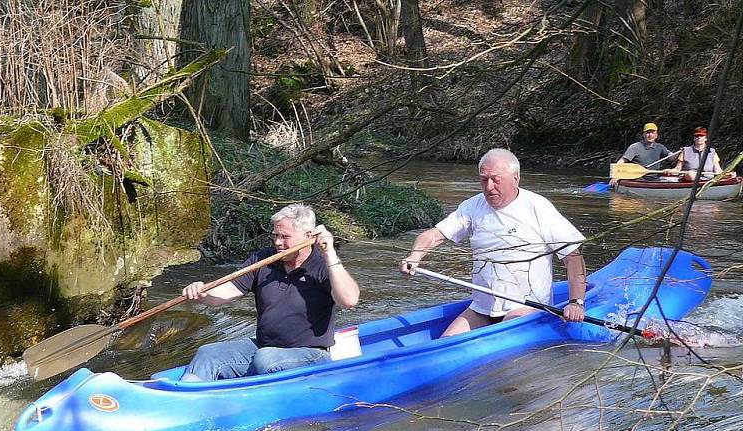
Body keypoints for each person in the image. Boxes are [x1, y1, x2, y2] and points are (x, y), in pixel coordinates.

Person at [400, 148, 586, 337]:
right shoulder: (472, 206)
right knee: (445, 341)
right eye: (484, 179)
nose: (489, 187)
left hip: (525, 308)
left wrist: (576, 302)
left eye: (496, 180)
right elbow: (435, 235)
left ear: (515, 178)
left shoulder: (537, 207)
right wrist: (415, 255)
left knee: (503, 344)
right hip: (482, 308)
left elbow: (572, 256)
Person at [181, 203, 360, 381]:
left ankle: (238, 395)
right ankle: (187, 397)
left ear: (308, 236)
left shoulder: (323, 265)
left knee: (266, 360)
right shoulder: (263, 260)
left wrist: (330, 253)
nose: (278, 243)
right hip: (264, 347)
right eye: (275, 236)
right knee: (209, 353)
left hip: (310, 354)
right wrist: (202, 293)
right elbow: (225, 292)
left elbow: (349, 300)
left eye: (285, 237)